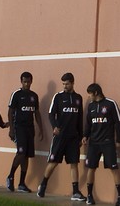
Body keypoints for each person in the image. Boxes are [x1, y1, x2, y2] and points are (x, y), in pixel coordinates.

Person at [37, 72, 86, 202]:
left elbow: (80, 118)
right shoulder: (58, 97)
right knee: (53, 163)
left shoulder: (78, 98)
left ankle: (75, 191)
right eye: (63, 84)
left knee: (74, 163)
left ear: (72, 83)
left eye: (67, 84)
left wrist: (81, 136)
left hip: (73, 138)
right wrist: (55, 126)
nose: (65, 86)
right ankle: (43, 185)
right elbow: (51, 114)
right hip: (60, 137)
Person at [83, 83, 120, 206]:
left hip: (107, 143)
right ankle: (89, 196)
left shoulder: (111, 104)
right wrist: (85, 136)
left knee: (114, 168)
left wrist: (119, 140)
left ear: (96, 93)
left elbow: (118, 122)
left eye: (90, 94)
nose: (89, 96)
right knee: (91, 168)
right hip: (94, 143)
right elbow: (88, 124)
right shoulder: (90, 106)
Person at [6, 71, 44, 193]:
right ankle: (10, 176)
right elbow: (10, 112)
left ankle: (22, 183)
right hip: (19, 128)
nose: (26, 84)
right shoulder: (16, 94)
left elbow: (36, 113)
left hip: (30, 129)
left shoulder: (34, 96)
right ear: (21, 82)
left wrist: (41, 129)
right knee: (21, 153)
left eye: (28, 81)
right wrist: (11, 129)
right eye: (24, 82)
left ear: (31, 81)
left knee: (26, 155)